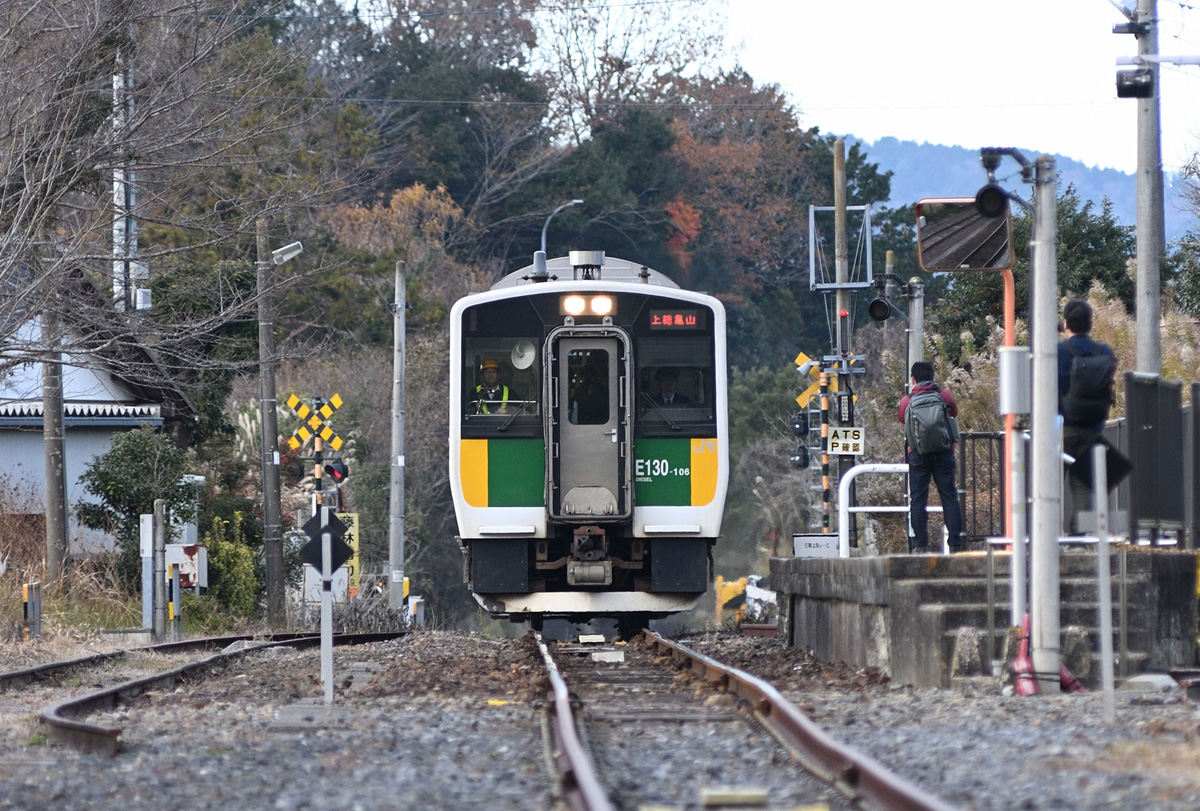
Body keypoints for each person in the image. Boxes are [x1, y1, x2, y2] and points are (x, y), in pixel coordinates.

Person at [1058, 298, 1116, 533]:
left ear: (1066, 324)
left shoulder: (1057, 352)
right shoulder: (1104, 351)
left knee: (1048, 489)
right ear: (1090, 324)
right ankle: (1079, 540)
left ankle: (1046, 540)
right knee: (1082, 488)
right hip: (1093, 428)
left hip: (1062, 429)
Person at [898, 360, 963, 554]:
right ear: (933, 376)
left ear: (913, 378)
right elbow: (954, 412)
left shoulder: (908, 400)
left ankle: (920, 545)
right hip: (944, 453)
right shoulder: (943, 395)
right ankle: (956, 544)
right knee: (949, 496)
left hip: (918, 455)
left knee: (918, 499)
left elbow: (902, 418)